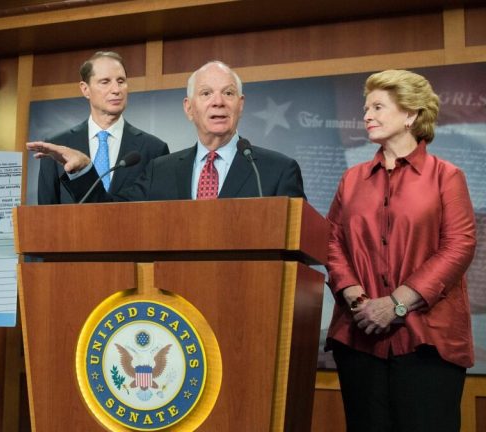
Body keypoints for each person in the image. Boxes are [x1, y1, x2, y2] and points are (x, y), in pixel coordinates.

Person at [324, 69, 477, 432]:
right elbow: (332, 241)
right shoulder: (351, 179)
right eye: (366, 108)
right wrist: (356, 297)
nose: (366, 115)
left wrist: (396, 304)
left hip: (429, 341)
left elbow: (459, 246)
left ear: (410, 114)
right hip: (359, 338)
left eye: (378, 107)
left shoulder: (447, 176)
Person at [28, 60, 305, 202]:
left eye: (228, 93)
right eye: (206, 93)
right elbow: (111, 214)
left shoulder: (277, 171)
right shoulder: (160, 170)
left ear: (240, 105)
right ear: (189, 108)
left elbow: (302, 246)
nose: (218, 101)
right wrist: (84, 170)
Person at [36, 51, 170, 204]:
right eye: (105, 82)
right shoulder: (57, 148)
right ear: (85, 89)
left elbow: (160, 211)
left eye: (121, 81)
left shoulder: (154, 149)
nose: (116, 90)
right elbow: (45, 213)